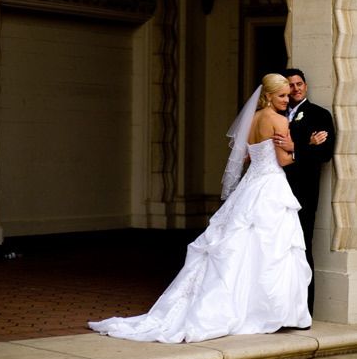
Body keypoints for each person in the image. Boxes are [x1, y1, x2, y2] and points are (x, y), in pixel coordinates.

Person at [88, 74, 312, 343]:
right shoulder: (278, 120)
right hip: (271, 186)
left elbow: (248, 156)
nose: (287, 100)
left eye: (288, 95)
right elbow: (284, 160)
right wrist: (299, 147)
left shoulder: (252, 120)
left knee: (241, 245)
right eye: (282, 96)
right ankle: (263, 311)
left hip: (251, 186)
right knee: (271, 248)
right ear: (268, 95)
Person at [272, 68, 335, 314]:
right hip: (274, 189)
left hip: (304, 192)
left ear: (305, 86)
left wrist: (295, 147)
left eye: (300, 84)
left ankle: (303, 309)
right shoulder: (273, 113)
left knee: (302, 245)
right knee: (274, 246)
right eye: (291, 85)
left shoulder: (319, 114)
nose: (296, 88)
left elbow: (325, 154)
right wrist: (305, 143)